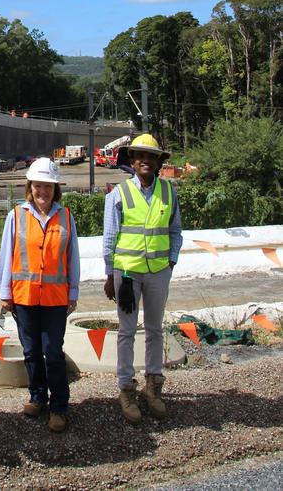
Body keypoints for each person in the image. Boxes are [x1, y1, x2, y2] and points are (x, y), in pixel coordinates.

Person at [102, 133, 182, 424]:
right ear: (132, 162)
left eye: (151, 156)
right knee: (126, 331)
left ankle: (153, 387)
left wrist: (171, 261)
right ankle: (126, 388)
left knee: (155, 329)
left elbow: (175, 231)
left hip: (159, 272)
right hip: (127, 274)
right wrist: (110, 275)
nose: (146, 160)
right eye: (140, 156)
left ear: (158, 162)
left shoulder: (169, 193)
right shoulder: (119, 194)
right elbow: (110, 237)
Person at [0, 157, 80, 433]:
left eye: (48, 186)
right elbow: (6, 256)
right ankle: (37, 396)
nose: (42, 191)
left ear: (55, 189)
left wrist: (73, 292)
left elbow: (73, 258)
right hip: (24, 298)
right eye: (37, 185)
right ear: (29, 186)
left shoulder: (66, 216)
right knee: (31, 351)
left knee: (52, 352)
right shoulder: (16, 215)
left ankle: (59, 406)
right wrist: (4, 292)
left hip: (56, 299)